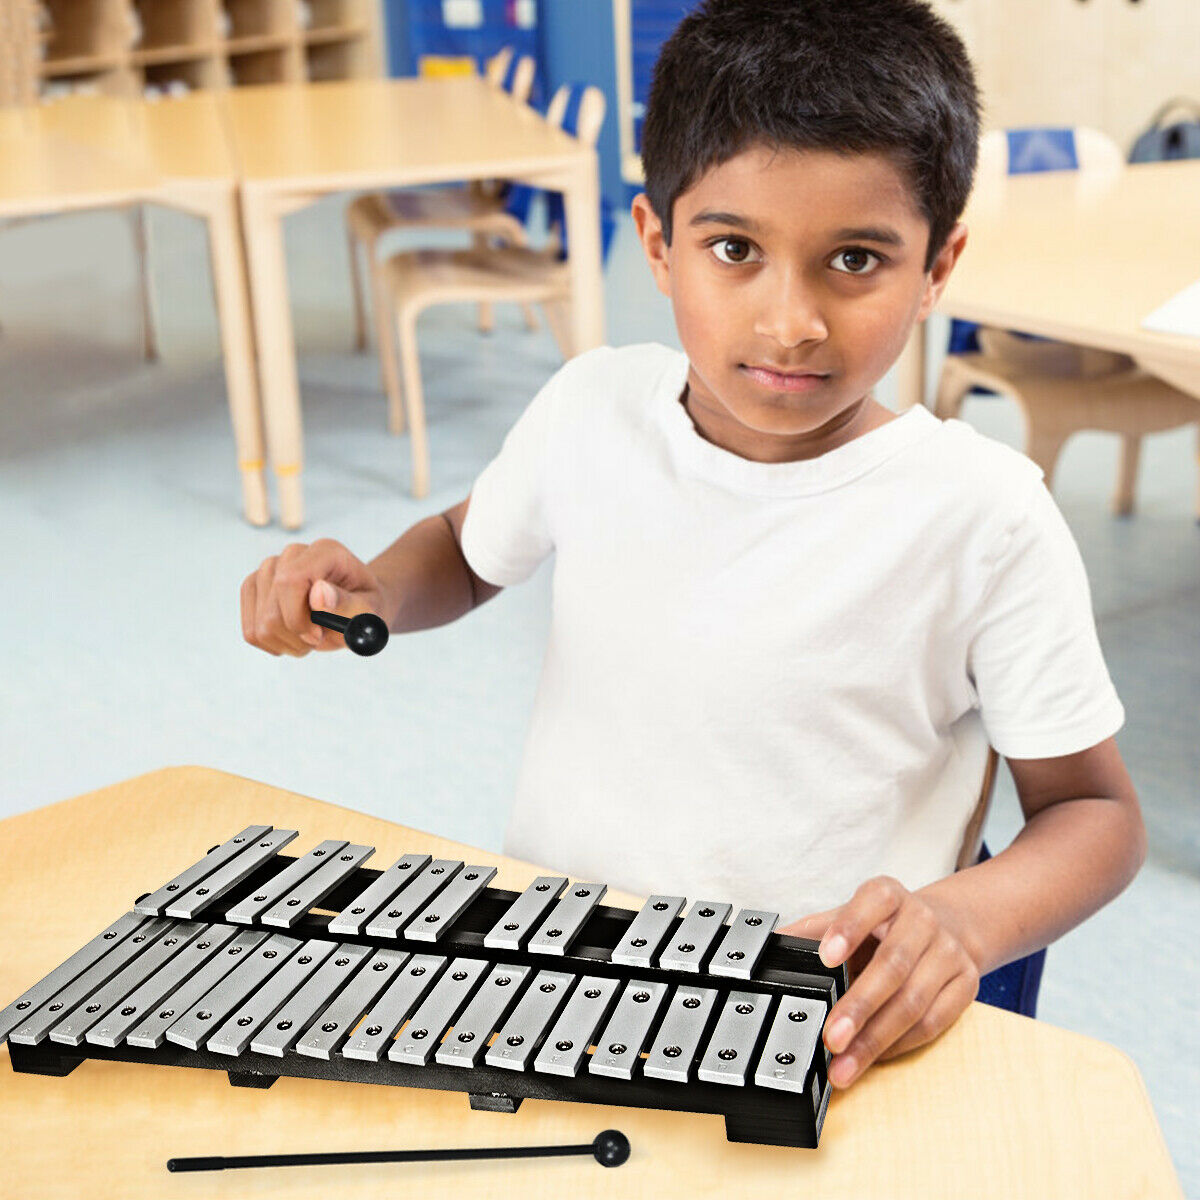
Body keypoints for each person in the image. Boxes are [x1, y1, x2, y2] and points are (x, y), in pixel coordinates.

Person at [240, 0, 1145, 1090]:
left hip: (827, 1013)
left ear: (937, 266)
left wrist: (961, 925)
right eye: (734, 249)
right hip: (565, 962)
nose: (790, 321)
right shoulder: (589, 409)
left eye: (855, 259)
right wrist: (372, 584)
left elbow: (1093, 814)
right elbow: (469, 551)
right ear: (657, 245)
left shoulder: (987, 517)